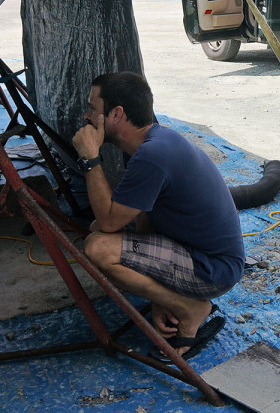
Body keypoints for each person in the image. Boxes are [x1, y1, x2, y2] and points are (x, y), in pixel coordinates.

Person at [72, 72, 244, 360]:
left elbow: (109, 221)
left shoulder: (153, 156)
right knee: (100, 232)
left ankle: (191, 309)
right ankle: (176, 300)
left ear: (116, 114)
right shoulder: (148, 143)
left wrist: (90, 159)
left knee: (99, 247)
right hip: (196, 251)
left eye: (93, 109)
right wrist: (156, 288)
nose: (87, 116)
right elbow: (141, 218)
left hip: (213, 270)